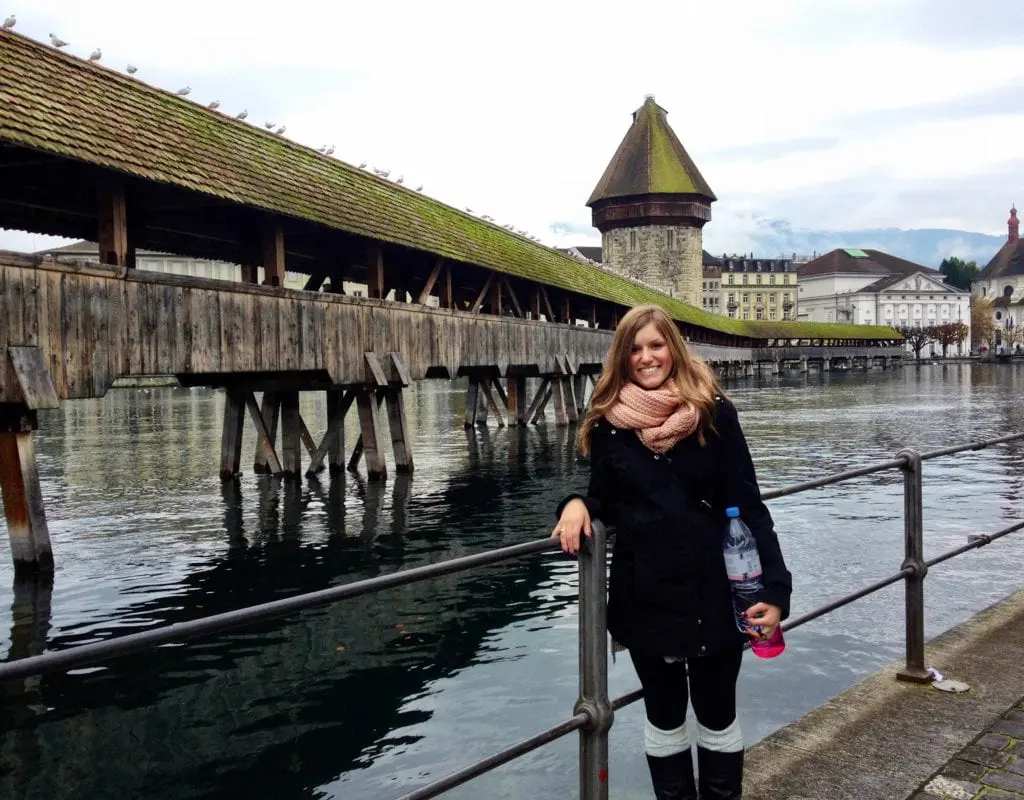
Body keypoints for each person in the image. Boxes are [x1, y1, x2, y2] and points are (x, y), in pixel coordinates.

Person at [552, 304, 792, 800]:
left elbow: (748, 505)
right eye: (635, 349)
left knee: (717, 712)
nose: (646, 357)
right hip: (648, 595)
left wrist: (775, 590)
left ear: (675, 348)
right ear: (622, 357)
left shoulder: (713, 413)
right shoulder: (608, 426)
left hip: (716, 593)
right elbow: (605, 496)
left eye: (656, 345)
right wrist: (577, 502)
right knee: (663, 717)